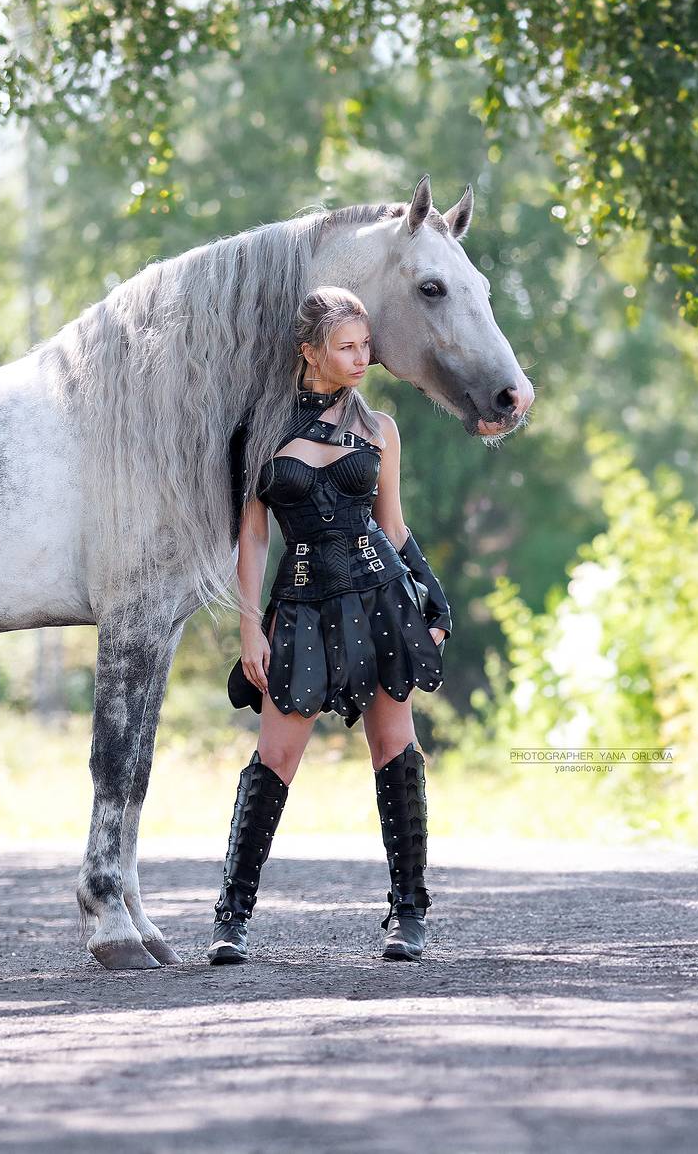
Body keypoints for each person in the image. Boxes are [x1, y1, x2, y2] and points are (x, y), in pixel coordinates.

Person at [209, 285, 453, 966]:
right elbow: (253, 536)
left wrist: (433, 602)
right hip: (302, 606)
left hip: (380, 599)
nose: (361, 358)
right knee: (275, 757)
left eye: (365, 346)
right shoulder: (260, 431)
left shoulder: (379, 429)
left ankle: (409, 913)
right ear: (309, 351)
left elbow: (392, 527)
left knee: (394, 747)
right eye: (346, 347)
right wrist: (249, 625)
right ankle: (232, 919)